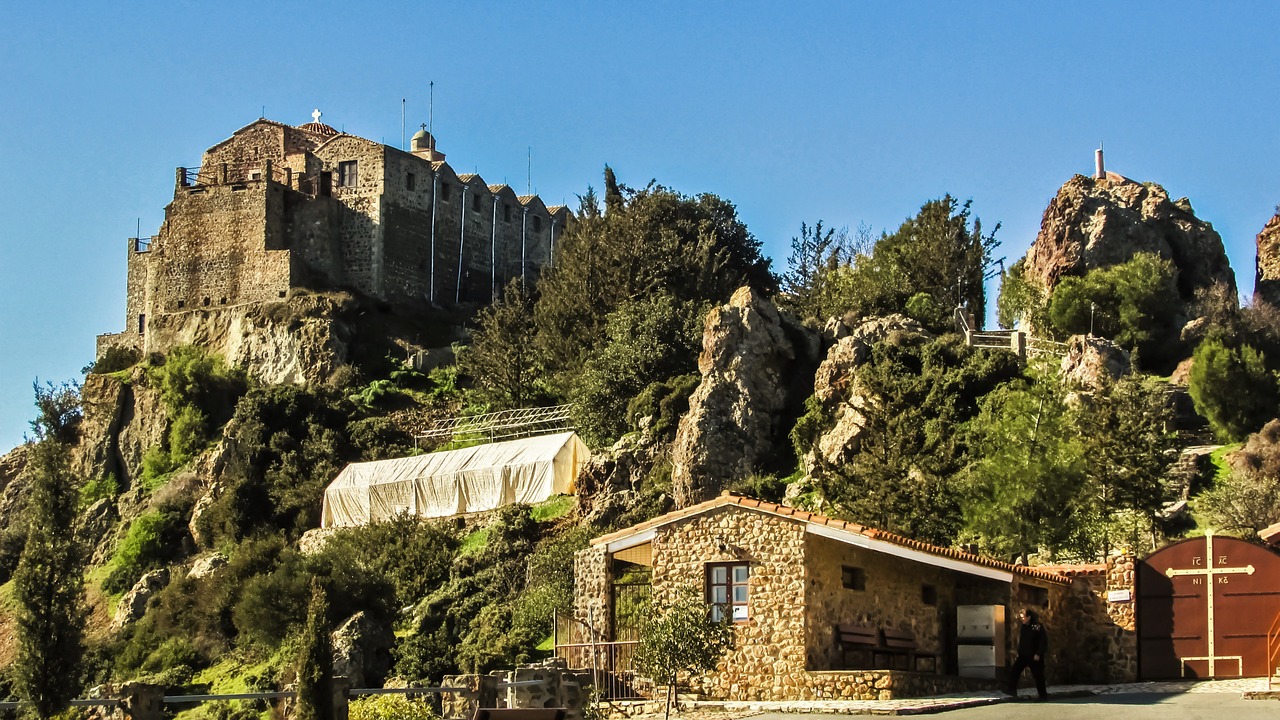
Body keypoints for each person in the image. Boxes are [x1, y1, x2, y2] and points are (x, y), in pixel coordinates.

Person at [1004, 608, 1048, 700]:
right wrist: (1019, 651)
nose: (1022, 619)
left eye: (1023, 617)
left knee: (1038, 676)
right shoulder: (1024, 627)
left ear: (1029, 617)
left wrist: (1038, 654)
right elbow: (1023, 641)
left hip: (1034, 656)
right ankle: (1011, 690)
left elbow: (1042, 641)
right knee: (1015, 670)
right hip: (1024, 655)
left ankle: (1043, 695)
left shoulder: (1037, 627)